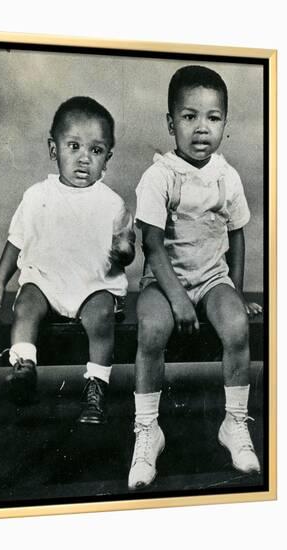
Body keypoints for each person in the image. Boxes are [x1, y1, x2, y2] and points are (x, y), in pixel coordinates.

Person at [128, 65, 262, 490]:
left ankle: (234, 423)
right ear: (171, 123)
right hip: (163, 282)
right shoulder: (160, 175)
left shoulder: (227, 176)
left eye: (213, 117)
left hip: (210, 279)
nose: (202, 128)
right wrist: (177, 298)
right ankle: (148, 430)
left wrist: (234, 293)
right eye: (189, 117)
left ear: (224, 122)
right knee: (151, 328)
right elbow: (151, 243)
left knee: (237, 325)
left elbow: (237, 234)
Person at [0, 96, 135, 424]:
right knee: (27, 302)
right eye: (73, 146)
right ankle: (24, 365)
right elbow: (15, 241)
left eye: (96, 151)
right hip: (48, 284)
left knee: (102, 313)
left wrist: (125, 249)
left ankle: (96, 387)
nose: (83, 159)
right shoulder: (37, 197)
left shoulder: (112, 203)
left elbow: (127, 249)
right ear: (53, 149)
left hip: (92, 287)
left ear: (108, 159)